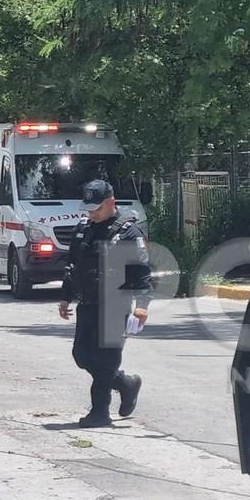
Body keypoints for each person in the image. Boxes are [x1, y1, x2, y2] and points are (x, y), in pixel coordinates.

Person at [58, 179, 151, 427]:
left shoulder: (127, 233)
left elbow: (141, 272)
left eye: (96, 208)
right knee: (81, 355)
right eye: (88, 208)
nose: (91, 213)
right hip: (88, 303)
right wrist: (66, 295)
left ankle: (99, 412)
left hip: (115, 305)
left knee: (105, 360)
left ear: (111, 202)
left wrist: (142, 305)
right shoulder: (84, 229)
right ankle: (125, 383)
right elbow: (73, 266)